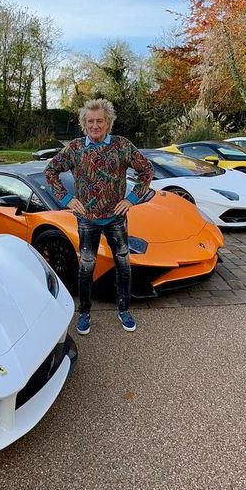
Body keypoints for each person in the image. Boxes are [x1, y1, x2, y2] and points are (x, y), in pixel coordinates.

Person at [44, 98, 153, 334]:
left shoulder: (122, 146)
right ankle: (84, 313)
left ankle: (124, 310)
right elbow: (51, 171)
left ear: (108, 123)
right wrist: (66, 199)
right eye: (90, 121)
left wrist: (131, 199)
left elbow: (146, 170)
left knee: (123, 264)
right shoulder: (74, 149)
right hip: (87, 220)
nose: (95, 125)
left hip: (116, 218)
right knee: (86, 268)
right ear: (84, 123)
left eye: (100, 121)